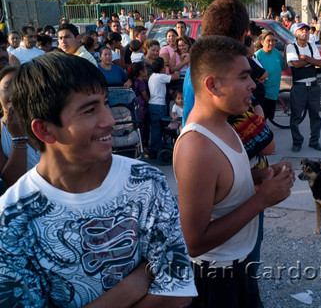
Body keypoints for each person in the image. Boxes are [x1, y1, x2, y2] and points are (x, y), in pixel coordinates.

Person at [0, 52, 196, 306]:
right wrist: (136, 281)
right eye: (89, 110)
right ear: (44, 130)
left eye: (105, 103)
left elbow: (178, 293)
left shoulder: (145, 182)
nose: (110, 120)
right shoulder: (13, 219)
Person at [173, 35, 294, 308]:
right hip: (216, 278)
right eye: (243, 77)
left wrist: (260, 177)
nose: (253, 84)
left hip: (239, 265)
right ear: (212, 85)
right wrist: (262, 200)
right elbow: (194, 241)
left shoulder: (225, 124)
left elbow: (219, 189)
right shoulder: (197, 147)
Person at [0, 66, 40, 191]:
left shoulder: (46, 123)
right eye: (7, 87)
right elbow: (11, 183)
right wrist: (19, 139)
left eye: (22, 85)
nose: (14, 91)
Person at [286, 23, 321, 152]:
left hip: (313, 86)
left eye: (307, 30)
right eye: (302, 30)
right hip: (299, 87)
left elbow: (320, 63)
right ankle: (297, 142)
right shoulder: (291, 47)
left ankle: (315, 141)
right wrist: (310, 61)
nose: (305, 32)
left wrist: (306, 58)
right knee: (295, 116)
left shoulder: (311, 46)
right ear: (296, 33)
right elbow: (295, 64)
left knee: (315, 116)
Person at [148, 57, 179, 159]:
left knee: (155, 128)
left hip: (152, 104)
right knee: (158, 128)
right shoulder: (160, 76)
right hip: (158, 106)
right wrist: (175, 70)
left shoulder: (152, 76)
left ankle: (154, 149)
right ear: (162, 69)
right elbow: (176, 77)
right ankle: (155, 150)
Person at [255, 31, 287, 120]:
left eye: (273, 41)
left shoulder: (276, 52)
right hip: (263, 94)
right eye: (268, 41)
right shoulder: (258, 55)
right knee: (262, 119)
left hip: (274, 92)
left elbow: (284, 66)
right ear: (262, 42)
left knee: (269, 117)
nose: (271, 43)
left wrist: (286, 51)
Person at [128, 61, 150, 149]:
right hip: (141, 106)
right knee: (143, 126)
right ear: (141, 71)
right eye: (145, 69)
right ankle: (143, 145)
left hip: (136, 106)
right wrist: (148, 102)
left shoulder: (135, 81)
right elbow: (144, 95)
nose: (147, 70)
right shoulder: (141, 83)